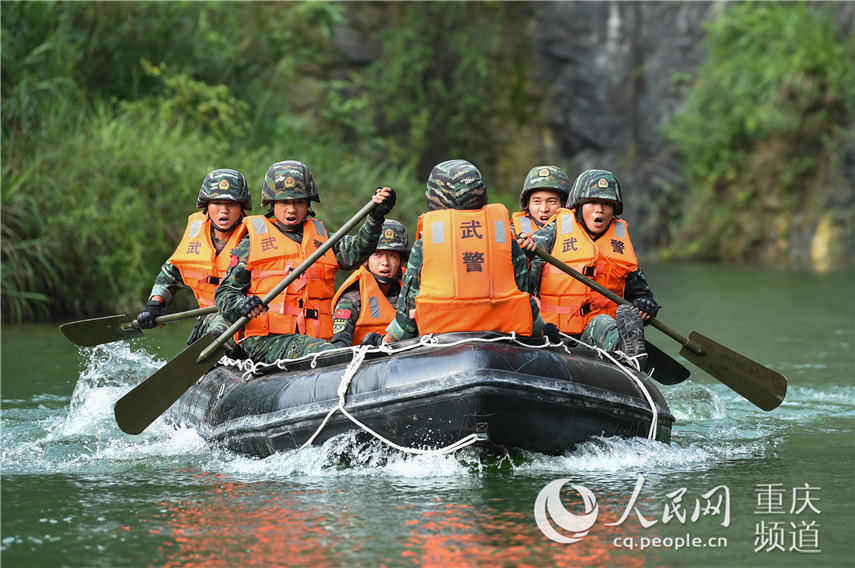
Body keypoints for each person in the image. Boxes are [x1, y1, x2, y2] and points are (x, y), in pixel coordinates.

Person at [214, 160, 396, 363]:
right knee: (326, 353)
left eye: (298, 202)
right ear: (271, 204)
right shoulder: (251, 243)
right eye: (284, 202)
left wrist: (375, 219)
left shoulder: (323, 239)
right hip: (265, 340)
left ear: (308, 204)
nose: (291, 209)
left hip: (314, 337)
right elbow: (224, 294)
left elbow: (355, 253)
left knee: (330, 350)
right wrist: (242, 304)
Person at [382, 159, 555, 343]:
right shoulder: (505, 239)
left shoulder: (426, 245)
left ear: (434, 197)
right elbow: (524, 299)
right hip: (502, 339)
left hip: (441, 340)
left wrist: (382, 345)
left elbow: (407, 317)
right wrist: (543, 335)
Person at [528, 169, 659, 367]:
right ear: (579, 207)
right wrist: (525, 253)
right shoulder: (551, 233)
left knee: (604, 323)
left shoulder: (619, 245)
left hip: (596, 338)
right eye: (592, 203)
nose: (600, 209)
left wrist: (646, 306)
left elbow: (641, 294)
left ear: (614, 210)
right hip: (554, 334)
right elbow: (524, 282)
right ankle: (624, 350)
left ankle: (627, 350)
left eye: (607, 204)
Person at [136, 169, 251, 345]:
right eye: (217, 203)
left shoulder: (255, 238)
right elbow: (170, 276)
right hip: (210, 322)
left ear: (242, 207)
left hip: (249, 321)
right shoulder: (196, 237)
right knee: (217, 326)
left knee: (223, 325)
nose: (224, 210)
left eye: (232, 204)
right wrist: (154, 306)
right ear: (206, 206)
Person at [329, 219, 409, 347]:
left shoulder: (408, 290)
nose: (385, 263)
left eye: (392, 255)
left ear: (401, 261)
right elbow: (339, 346)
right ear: (365, 260)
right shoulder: (352, 298)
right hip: (362, 363)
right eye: (377, 254)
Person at [512, 165, 572, 237]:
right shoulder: (512, 232)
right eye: (537, 201)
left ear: (564, 204)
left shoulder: (579, 229)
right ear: (527, 204)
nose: (544, 209)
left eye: (551, 201)